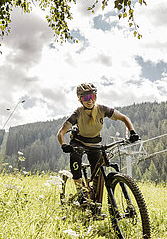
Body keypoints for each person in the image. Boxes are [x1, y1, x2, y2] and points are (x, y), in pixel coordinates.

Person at [56, 83, 139, 214]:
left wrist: (132, 132)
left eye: (92, 96)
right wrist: (64, 145)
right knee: (75, 162)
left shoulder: (102, 109)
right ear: (80, 100)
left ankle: (95, 206)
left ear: (96, 97)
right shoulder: (77, 113)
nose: (90, 100)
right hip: (78, 143)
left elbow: (124, 118)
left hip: (95, 144)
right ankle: (81, 194)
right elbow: (61, 133)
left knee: (99, 172)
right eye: (86, 97)